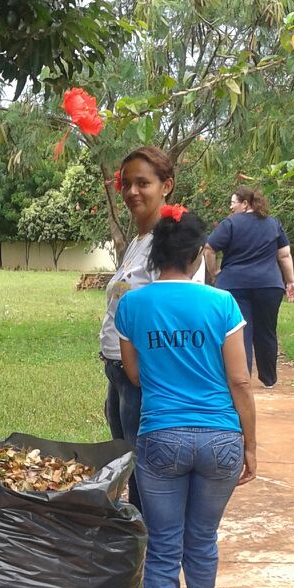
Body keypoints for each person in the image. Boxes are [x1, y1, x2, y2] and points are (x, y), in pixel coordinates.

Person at [114, 206, 257, 588]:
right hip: (221, 439)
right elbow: (239, 378)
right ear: (199, 253)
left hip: (161, 438)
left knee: (161, 545)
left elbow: (133, 374)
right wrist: (250, 445)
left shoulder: (132, 305)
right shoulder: (222, 305)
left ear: (155, 255)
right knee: (202, 539)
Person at [98, 147, 204, 504]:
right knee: (130, 467)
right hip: (119, 372)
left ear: (167, 186)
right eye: (126, 183)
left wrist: (146, 376)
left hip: (144, 376)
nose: (132, 192)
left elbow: (180, 313)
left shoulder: (172, 244)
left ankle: (152, 552)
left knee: (147, 474)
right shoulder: (140, 240)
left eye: (143, 183)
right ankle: (138, 547)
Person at [203, 186, 294, 386]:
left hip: (234, 284)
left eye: (233, 202)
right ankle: (269, 379)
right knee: (266, 331)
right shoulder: (273, 223)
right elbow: (284, 255)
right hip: (269, 285)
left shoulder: (230, 223)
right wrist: (290, 281)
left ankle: (241, 379)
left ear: (245, 203)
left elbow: (209, 248)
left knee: (239, 330)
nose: (230, 208)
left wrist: (215, 273)